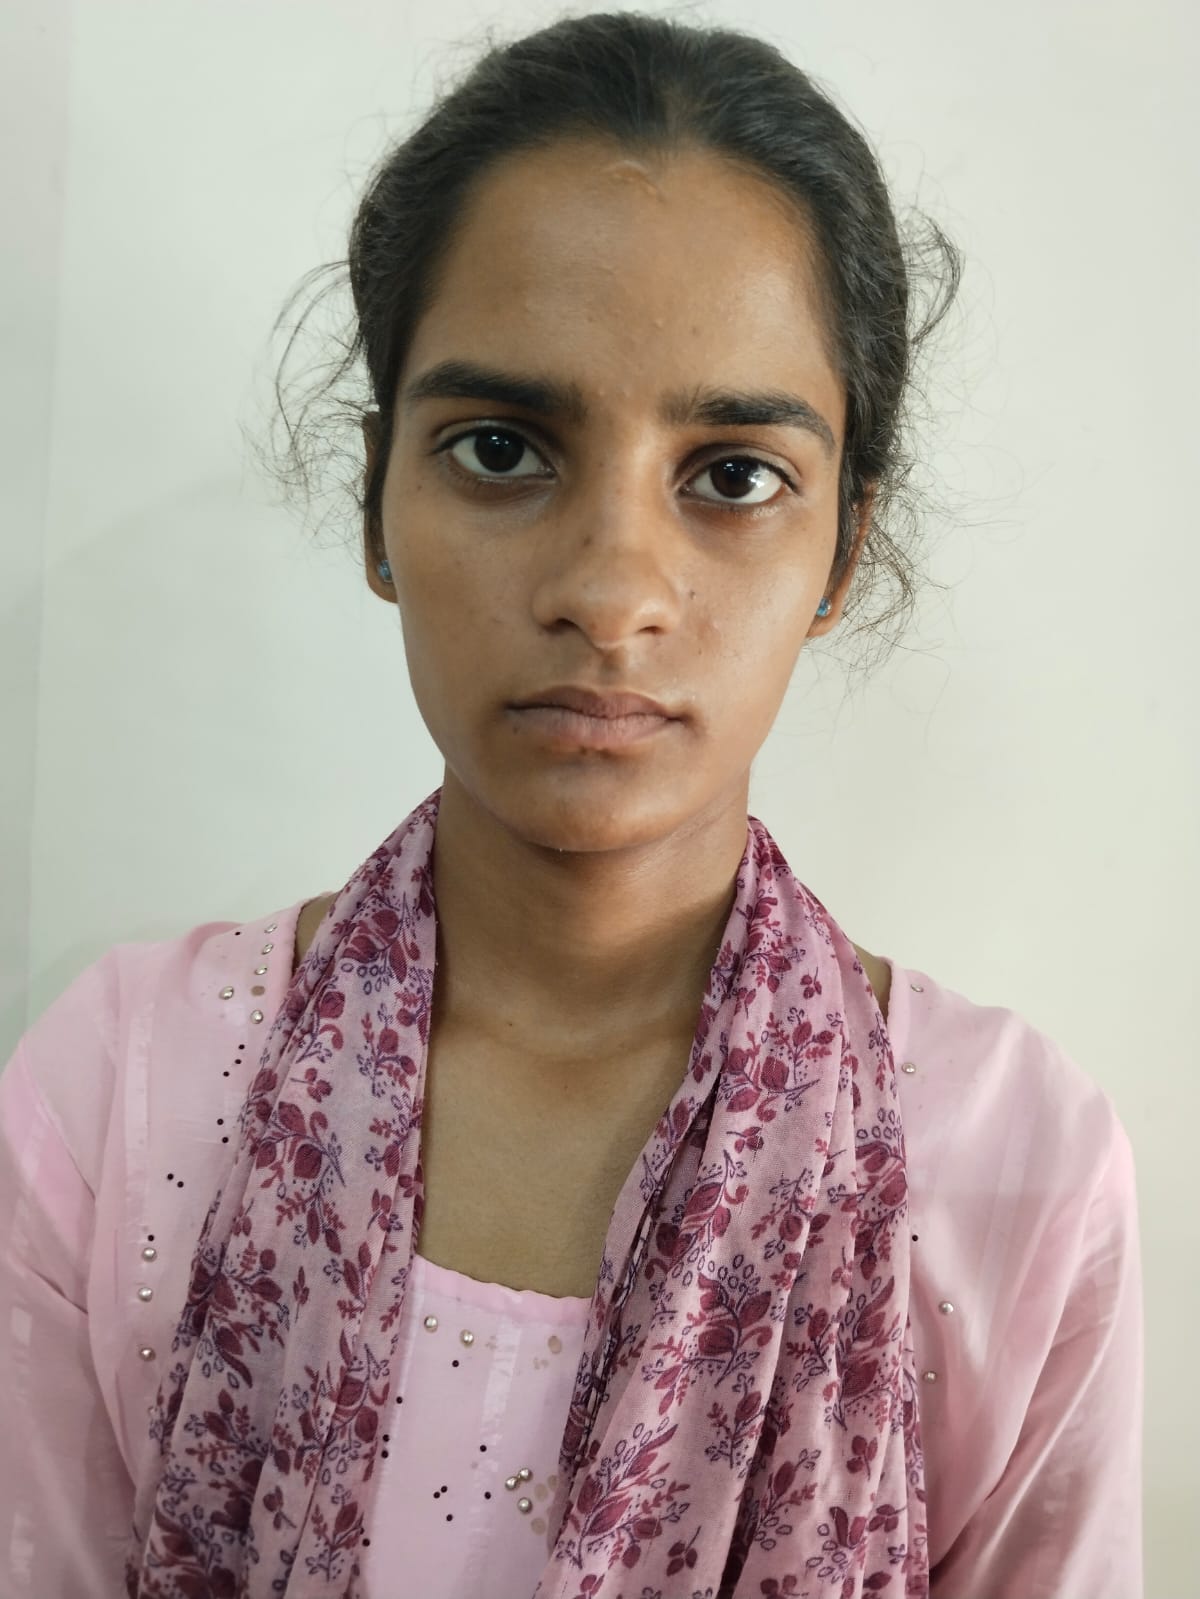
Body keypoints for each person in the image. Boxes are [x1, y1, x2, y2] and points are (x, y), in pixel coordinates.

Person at [0, 10, 1143, 1598]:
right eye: (500, 448)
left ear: (844, 549)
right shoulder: (124, 1094)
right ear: (378, 502)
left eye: (733, 475)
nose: (612, 593)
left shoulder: (1015, 1168)